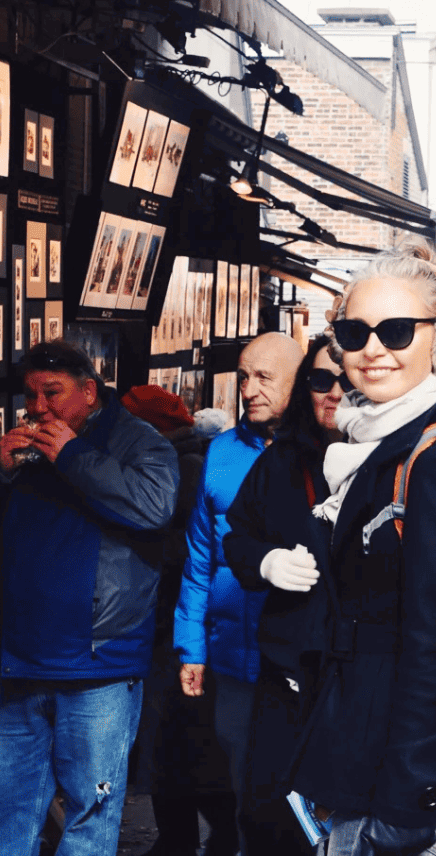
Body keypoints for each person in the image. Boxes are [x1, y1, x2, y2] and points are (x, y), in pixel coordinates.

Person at [0, 340, 179, 856]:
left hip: (99, 665)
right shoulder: (27, 447)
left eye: (53, 393)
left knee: (88, 824)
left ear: (90, 392)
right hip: (21, 661)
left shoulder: (141, 443)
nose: (39, 407)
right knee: (4, 818)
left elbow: (153, 507)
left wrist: (73, 454)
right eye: (32, 395)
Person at [283, 242, 436, 856]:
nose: (374, 349)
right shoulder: (366, 446)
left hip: (393, 781)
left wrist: (408, 802)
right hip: (360, 754)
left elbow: (429, 644)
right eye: (355, 331)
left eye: (397, 331)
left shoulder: (423, 459)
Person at [173, 331, 303, 854]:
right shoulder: (221, 453)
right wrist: (192, 648)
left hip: (293, 662)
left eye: (264, 378)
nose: (249, 390)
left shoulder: (324, 454)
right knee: (239, 786)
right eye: (243, 377)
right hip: (230, 660)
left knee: (289, 789)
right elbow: (199, 562)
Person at [223, 334, 349, 855]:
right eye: (321, 380)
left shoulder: (397, 458)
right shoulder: (282, 460)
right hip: (289, 668)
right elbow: (236, 537)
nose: (334, 392)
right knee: (268, 810)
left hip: (360, 673)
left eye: (346, 380)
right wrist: (266, 561)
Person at [122, 387, 235, 856]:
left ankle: (201, 839)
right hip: (177, 627)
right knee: (178, 747)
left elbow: (187, 553)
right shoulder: (192, 460)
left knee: (182, 746)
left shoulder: (183, 469)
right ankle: (188, 839)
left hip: (181, 629)